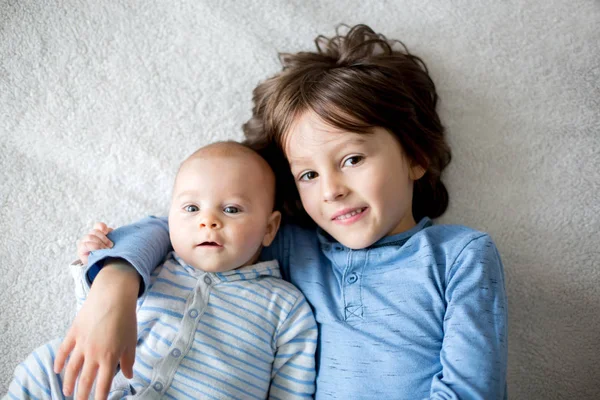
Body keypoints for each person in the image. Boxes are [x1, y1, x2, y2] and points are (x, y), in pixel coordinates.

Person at [54, 24, 508, 399]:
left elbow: (472, 390)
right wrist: (113, 288)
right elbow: (176, 229)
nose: (331, 190)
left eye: (352, 160)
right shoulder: (293, 243)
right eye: (308, 175)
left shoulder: (460, 256)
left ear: (414, 155)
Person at [6, 142, 317, 399]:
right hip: (109, 391)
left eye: (231, 209)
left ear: (269, 228)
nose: (207, 221)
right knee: (48, 364)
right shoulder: (152, 268)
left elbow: (291, 390)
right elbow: (93, 326)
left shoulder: (285, 306)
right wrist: (95, 259)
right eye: (191, 208)